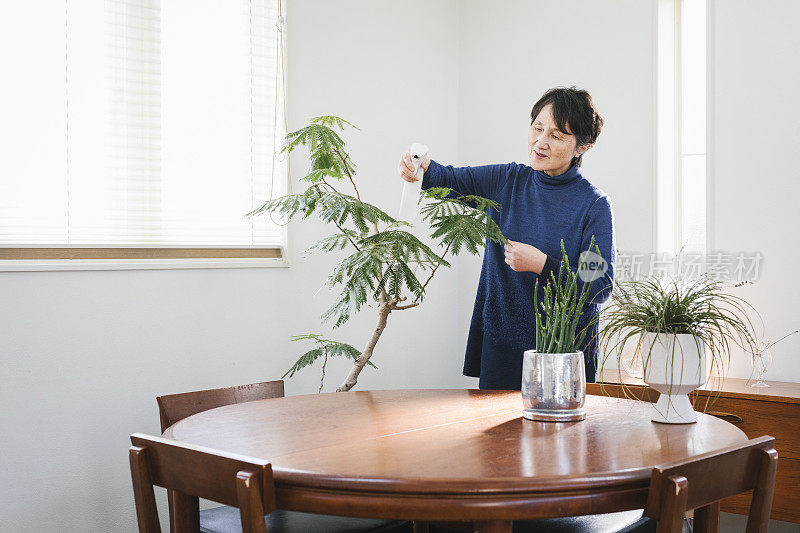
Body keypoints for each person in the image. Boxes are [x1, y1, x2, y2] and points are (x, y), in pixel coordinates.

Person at [397, 86, 615, 389]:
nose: (540, 142)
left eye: (556, 136)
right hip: (502, 348)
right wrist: (416, 167)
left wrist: (542, 265)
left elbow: (599, 286)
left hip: (560, 357)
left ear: (582, 147)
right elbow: (443, 177)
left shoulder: (593, 206)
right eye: (537, 128)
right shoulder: (507, 181)